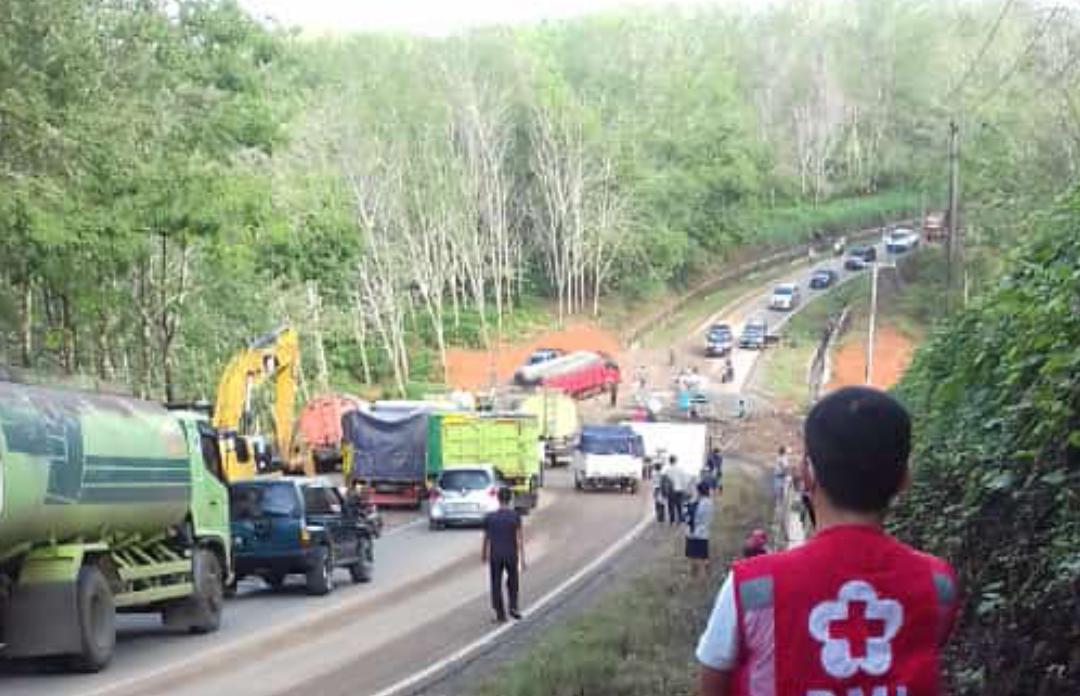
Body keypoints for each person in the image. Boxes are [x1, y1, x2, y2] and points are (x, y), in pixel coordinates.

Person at [696, 387, 959, 696]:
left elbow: (712, 682)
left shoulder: (751, 587)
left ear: (806, 474)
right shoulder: (938, 585)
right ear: (904, 479)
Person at [481, 487, 526, 623]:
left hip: (495, 555)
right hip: (511, 554)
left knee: (495, 583)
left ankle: (500, 613)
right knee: (513, 581)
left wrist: (483, 554)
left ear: (498, 499)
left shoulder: (490, 517)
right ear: (510, 499)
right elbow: (519, 539)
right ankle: (513, 606)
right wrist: (523, 559)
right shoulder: (515, 516)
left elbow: (486, 538)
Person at [686, 480, 714, 580]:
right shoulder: (710, 502)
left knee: (693, 557)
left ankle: (694, 576)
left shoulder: (697, 503)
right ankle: (706, 575)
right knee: (704, 556)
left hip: (694, 533)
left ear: (699, 491)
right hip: (705, 533)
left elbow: (691, 518)